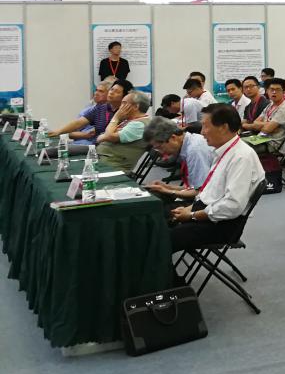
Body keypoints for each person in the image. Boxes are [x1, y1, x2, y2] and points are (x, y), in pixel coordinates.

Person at [166, 104, 266, 253]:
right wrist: (189, 209)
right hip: (209, 212)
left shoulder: (241, 157)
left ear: (223, 127)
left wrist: (192, 215)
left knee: (162, 239)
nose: (202, 132)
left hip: (222, 224)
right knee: (159, 220)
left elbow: (232, 206)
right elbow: (210, 191)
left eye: (205, 126)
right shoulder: (224, 150)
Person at [141, 116, 216, 196]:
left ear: (173, 138)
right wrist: (167, 187)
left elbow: (201, 192)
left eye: (159, 147)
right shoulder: (190, 142)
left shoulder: (194, 151)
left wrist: (167, 191)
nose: (161, 152)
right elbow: (194, 187)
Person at [42, 81, 117, 157]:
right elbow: (77, 124)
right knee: (48, 151)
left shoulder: (115, 111)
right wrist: (57, 132)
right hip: (86, 144)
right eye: (96, 90)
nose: (96, 93)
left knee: (50, 152)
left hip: (96, 147)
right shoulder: (98, 108)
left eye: (101, 91)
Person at [95, 90, 152, 170]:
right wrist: (103, 137)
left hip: (112, 165)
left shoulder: (139, 125)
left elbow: (108, 136)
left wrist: (116, 117)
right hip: (103, 159)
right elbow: (103, 137)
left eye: (124, 103)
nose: (120, 107)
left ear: (136, 107)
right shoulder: (130, 120)